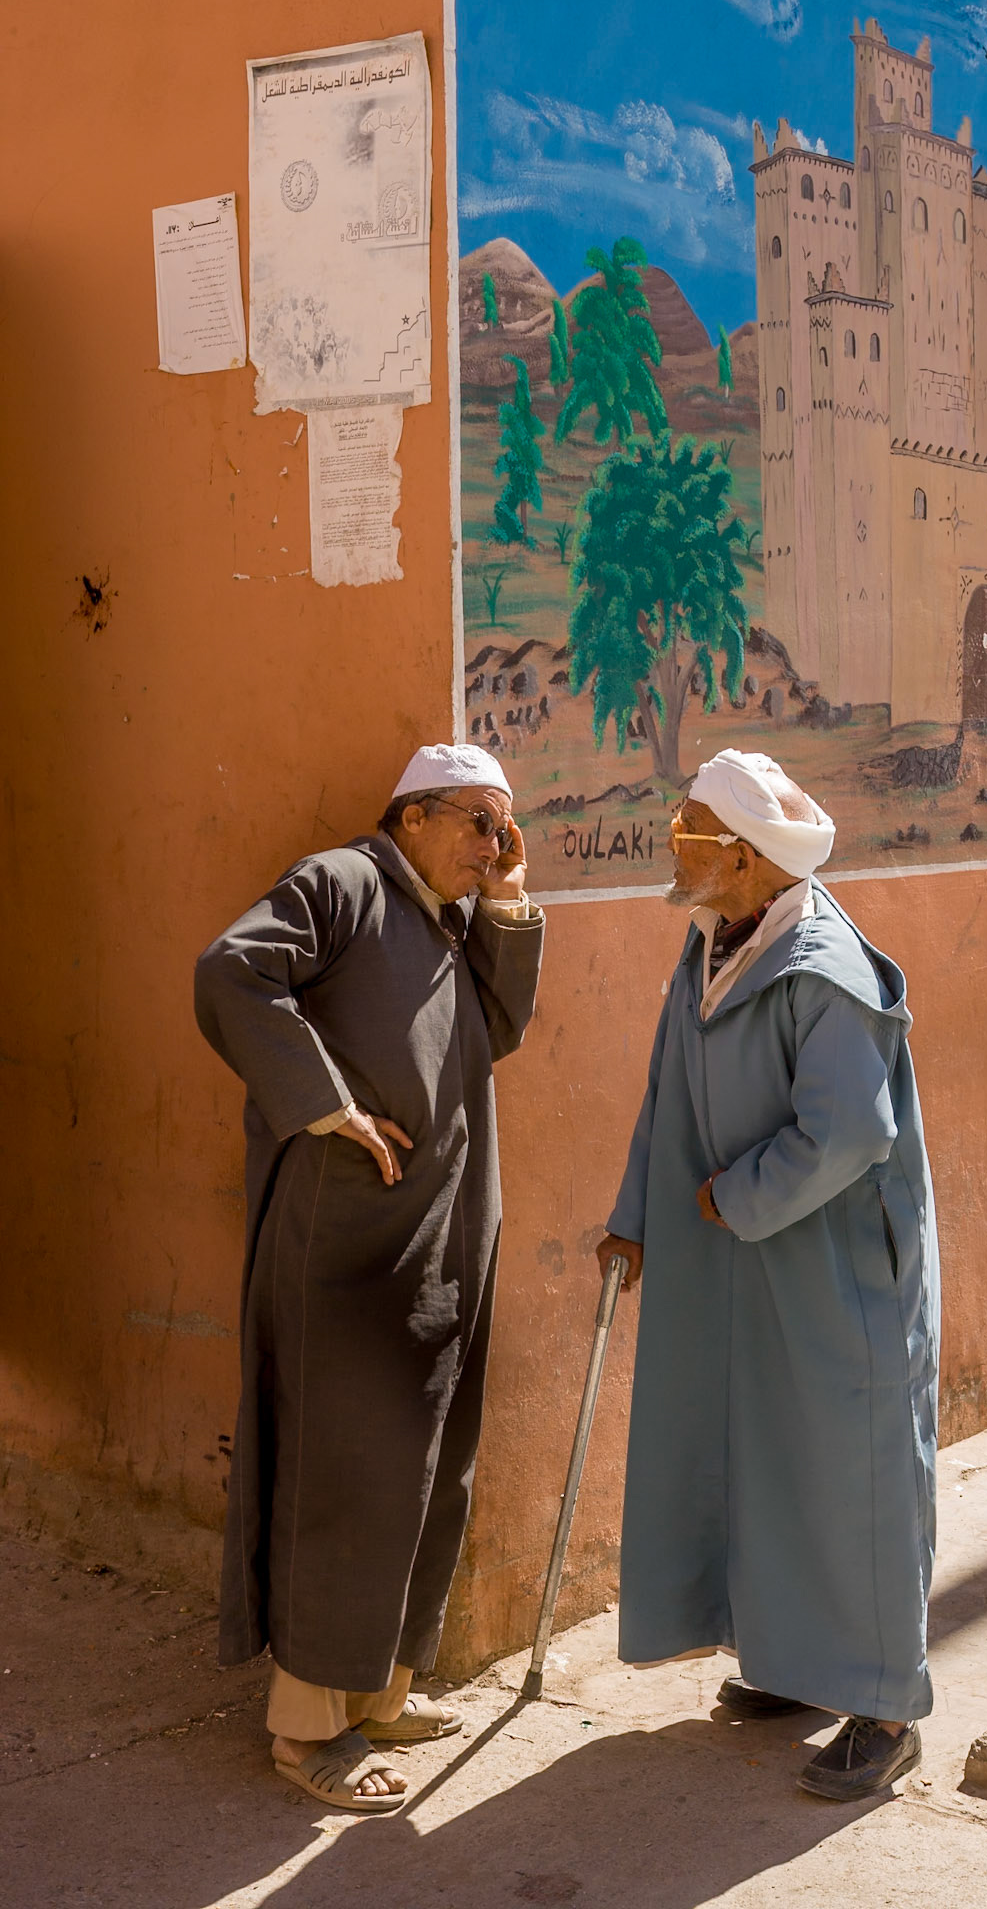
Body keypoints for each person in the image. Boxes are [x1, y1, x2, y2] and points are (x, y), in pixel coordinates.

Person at [195, 744, 543, 1813]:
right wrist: (324, 1100)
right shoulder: (343, 881)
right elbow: (230, 969)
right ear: (413, 813)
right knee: (343, 1478)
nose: (492, 845)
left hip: (436, 1240)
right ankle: (308, 1732)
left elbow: (497, 1031)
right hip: (345, 1242)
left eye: (504, 828)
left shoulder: (447, 915)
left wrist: (511, 904)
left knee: (429, 1469)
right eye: (478, 824)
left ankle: (382, 1691)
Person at [597, 749, 939, 1801]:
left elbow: (849, 1130)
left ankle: (885, 1705)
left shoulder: (823, 968)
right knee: (769, 1463)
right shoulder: (710, 943)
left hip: (836, 1268)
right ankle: (796, 1664)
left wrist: (738, 1194)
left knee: (852, 1474)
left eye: (688, 823)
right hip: (749, 1264)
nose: (672, 835)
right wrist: (634, 1215)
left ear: (741, 855)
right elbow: (665, 1090)